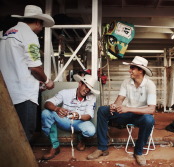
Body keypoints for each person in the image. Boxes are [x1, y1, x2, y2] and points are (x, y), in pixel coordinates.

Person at [87, 56, 156, 166]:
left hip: (140, 117)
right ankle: (102, 147)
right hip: (127, 114)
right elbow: (120, 100)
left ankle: (138, 152)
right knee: (103, 110)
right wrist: (114, 106)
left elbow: (151, 109)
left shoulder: (149, 85)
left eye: (132, 68)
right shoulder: (126, 82)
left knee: (149, 119)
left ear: (141, 70)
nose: (130, 70)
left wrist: (128, 108)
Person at [0, 5, 55, 142]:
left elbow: (16, 64)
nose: (41, 29)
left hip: (7, 93)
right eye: (42, 26)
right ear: (37, 22)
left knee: (8, 136)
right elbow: (35, 68)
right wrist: (47, 81)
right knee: (25, 135)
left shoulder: (7, 33)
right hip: (23, 95)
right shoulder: (29, 35)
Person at [41, 74, 100, 160]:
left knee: (91, 130)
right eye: (86, 87)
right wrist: (56, 109)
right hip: (64, 120)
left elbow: (89, 116)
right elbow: (47, 103)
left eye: (89, 89)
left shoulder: (92, 97)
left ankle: (81, 138)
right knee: (46, 113)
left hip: (79, 122)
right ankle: (55, 146)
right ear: (80, 84)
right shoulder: (65, 92)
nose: (87, 90)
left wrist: (79, 116)